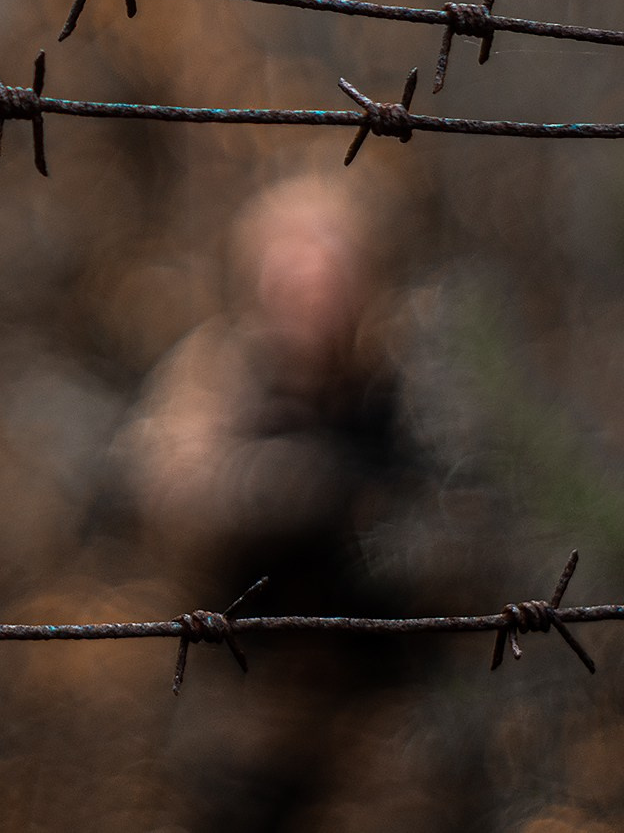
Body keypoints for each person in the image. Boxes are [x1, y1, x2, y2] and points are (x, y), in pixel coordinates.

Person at [115, 172, 449, 832]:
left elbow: (466, 517)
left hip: (389, 715)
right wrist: (300, 486)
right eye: (289, 268)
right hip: (247, 704)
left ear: (363, 282)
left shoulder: (407, 382)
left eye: (326, 269)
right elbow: (164, 490)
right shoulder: (219, 371)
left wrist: (393, 521)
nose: (307, 290)